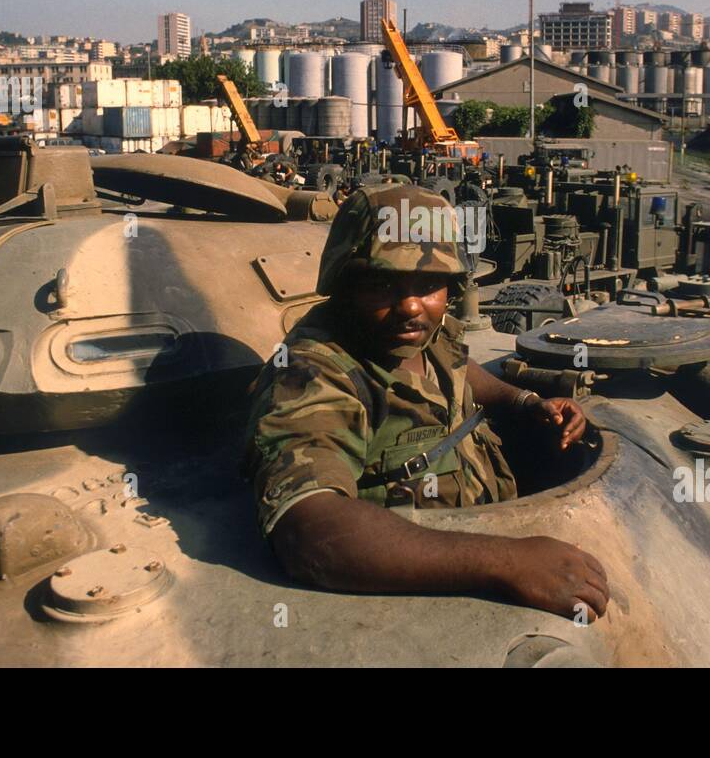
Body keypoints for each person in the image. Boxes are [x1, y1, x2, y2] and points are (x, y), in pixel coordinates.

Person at [243, 184, 609, 619]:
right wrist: (506, 562)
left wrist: (526, 402)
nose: (412, 305)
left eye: (430, 283)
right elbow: (307, 528)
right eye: (382, 284)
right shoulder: (313, 375)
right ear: (345, 284)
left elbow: (460, 372)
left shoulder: (421, 334)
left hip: (487, 518)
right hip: (412, 586)